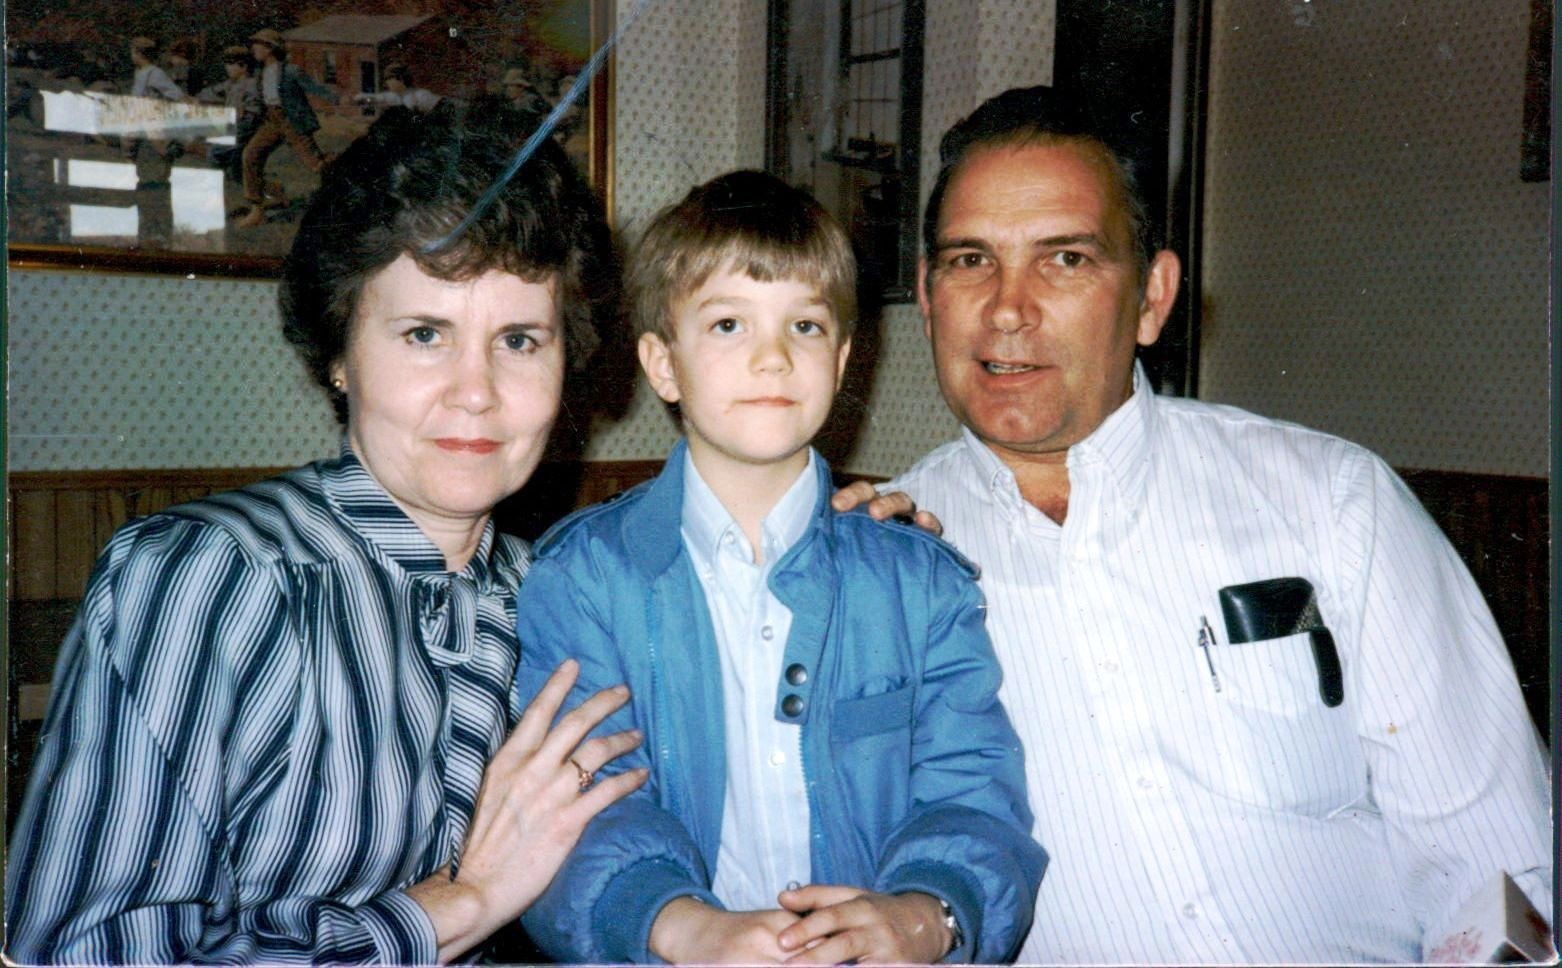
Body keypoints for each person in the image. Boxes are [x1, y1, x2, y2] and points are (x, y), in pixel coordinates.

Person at [838, 85, 1554, 962]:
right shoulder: (881, 565)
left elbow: (1497, 869)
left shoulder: (1332, 502)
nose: (1008, 308)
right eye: (970, 260)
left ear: (1152, 296)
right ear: (926, 294)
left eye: (1066, 259)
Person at [5, 104, 643, 964]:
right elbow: (85, 951)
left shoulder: (563, 592)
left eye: (520, 340)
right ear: (340, 353)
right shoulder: (209, 578)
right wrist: (457, 908)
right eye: (426, 334)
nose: (477, 392)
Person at [512, 170, 1044, 965]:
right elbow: (579, 806)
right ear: (663, 363)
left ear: (842, 360)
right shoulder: (583, 578)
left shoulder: (920, 583)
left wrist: (922, 914)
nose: (772, 358)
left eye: (805, 325)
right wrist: (683, 926)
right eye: (729, 324)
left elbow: (972, 789)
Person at [238, 28, 339, 228]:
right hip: (271, 122)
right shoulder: (260, 73)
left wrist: (337, 98)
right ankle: (257, 210)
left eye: (258, 45)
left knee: (317, 165)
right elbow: (260, 100)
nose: (254, 49)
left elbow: (314, 87)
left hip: (292, 122)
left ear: (270, 48)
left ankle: (347, 177)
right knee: (250, 155)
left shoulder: (290, 71)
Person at [196, 46, 262, 181]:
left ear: (243, 66)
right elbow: (211, 92)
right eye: (226, 63)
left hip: (245, 125)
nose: (227, 68)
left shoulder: (251, 84)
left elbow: (252, 111)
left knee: (215, 153)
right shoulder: (231, 84)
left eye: (231, 64)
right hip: (235, 125)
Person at [355, 62, 441, 114]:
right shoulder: (394, 97)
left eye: (389, 79)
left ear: (400, 79)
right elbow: (375, 99)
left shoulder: (421, 95)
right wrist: (362, 99)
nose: (387, 83)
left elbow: (442, 107)